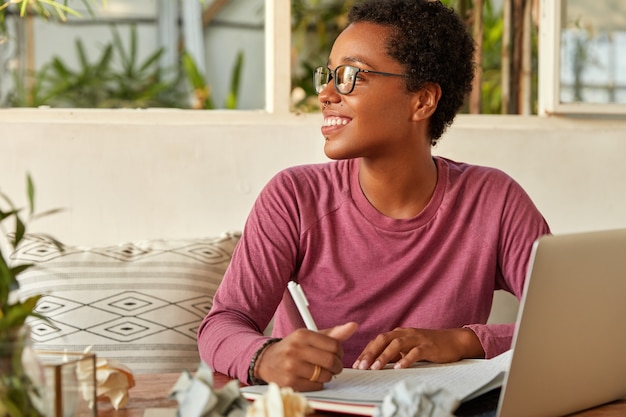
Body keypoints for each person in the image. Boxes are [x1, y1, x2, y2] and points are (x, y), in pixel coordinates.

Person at [197, 0, 550, 392]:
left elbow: (573, 322)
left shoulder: (494, 201)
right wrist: (265, 357)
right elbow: (222, 323)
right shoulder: (294, 197)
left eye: (350, 75)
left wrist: (464, 341)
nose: (328, 93)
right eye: (328, 75)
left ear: (422, 101)